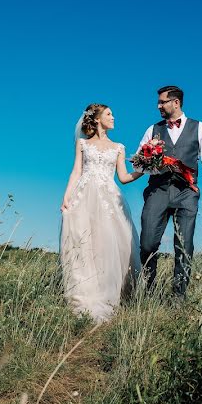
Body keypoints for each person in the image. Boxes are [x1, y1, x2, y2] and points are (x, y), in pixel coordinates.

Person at [59, 103, 144, 322]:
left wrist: (144, 169)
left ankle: (111, 292)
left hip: (109, 198)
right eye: (109, 114)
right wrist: (66, 197)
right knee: (84, 243)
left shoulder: (119, 147)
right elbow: (76, 171)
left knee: (111, 244)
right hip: (84, 196)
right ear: (97, 119)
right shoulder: (83, 144)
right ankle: (85, 292)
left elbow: (123, 178)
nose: (113, 117)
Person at [136, 86, 202, 299]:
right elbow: (139, 165)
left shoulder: (199, 127)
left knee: (184, 245)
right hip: (158, 190)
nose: (158, 106)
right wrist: (152, 161)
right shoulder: (152, 130)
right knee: (147, 243)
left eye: (162, 102)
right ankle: (149, 292)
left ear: (176, 103)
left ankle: (178, 297)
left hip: (187, 192)